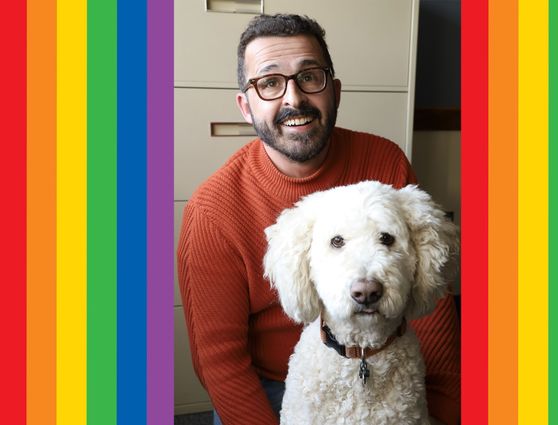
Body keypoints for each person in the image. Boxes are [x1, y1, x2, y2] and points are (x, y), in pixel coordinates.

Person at [177, 14, 460, 425]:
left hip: (392, 362)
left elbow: (427, 299)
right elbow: (219, 360)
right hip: (268, 387)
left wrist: (446, 410)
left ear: (335, 91)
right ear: (245, 105)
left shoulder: (384, 161)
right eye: (270, 83)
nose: (294, 98)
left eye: (310, 76)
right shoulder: (212, 209)